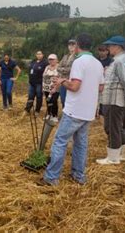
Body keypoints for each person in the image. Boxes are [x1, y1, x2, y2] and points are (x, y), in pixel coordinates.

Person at [39, 34, 104, 186]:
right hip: (88, 112)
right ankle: (78, 175)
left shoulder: (78, 62)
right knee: (81, 144)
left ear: (77, 46)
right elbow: (101, 87)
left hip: (75, 110)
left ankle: (51, 177)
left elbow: (74, 86)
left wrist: (62, 81)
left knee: (60, 141)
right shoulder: (98, 64)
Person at [97, 36, 125, 165]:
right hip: (117, 99)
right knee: (117, 127)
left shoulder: (119, 61)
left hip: (115, 100)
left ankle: (113, 157)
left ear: (118, 47)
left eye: (110, 46)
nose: (109, 48)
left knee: (111, 127)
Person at [25, 51, 48, 116]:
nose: (38, 55)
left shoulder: (45, 63)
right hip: (32, 83)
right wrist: (29, 78)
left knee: (39, 96)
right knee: (30, 96)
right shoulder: (33, 62)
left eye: (40, 54)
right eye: (37, 54)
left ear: (42, 55)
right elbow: (30, 70)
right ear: (36, 55)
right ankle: (27, 109)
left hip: (39, 83)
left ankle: (37, 110)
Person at [57, 39, 77, 108]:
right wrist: (64, 69)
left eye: (73, 44)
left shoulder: (77, 57)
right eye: (69, 45)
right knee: (63, 99)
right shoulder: (65, 56)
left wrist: (62, 69)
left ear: (76, 45)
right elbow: (58, 67)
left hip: (72, 81)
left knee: (70, 100)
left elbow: (72, 69)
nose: (71, 46)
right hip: (63, 81)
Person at [42, 54, 60, 120]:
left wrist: (55, 87)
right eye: (50, 59)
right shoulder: (47, 67)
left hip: (55, 88)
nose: (51, 61)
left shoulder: (59, 67)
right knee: (48, 101)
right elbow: (43, 77)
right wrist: (42, 87)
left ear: (56, 60)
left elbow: (60, 78)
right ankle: (49, 114)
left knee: (54, 101)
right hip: (46, 88)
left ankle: (55, 115)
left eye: (52, 59)